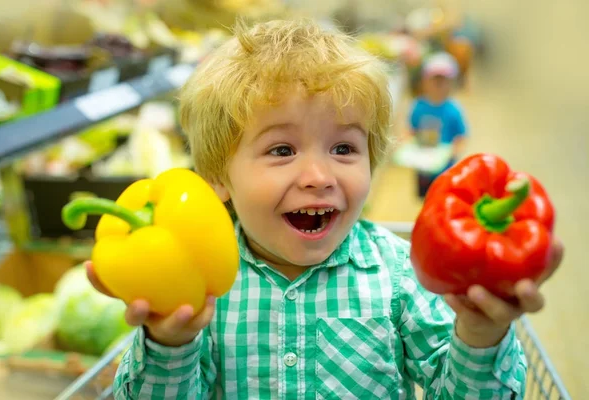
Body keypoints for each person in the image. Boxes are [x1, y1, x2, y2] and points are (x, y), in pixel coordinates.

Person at [86, 19, 564, 399]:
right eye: (281, 150)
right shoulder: (203, 285)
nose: (319, 175)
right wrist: (171, 343)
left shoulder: (398, 275)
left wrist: (480, 335)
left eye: (343, 149)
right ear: (218, 177)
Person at [408, 52, 468, 198]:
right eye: (435, 80)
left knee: (443, 196)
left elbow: (461, 136)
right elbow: (411, 130)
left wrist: (452, 153)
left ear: (452, 84)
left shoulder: (454, 110)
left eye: (444, 81)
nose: (439, 85)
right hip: (423, 165)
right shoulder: (418, 106)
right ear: (424, 82)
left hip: (445, 167)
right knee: (426, 197)